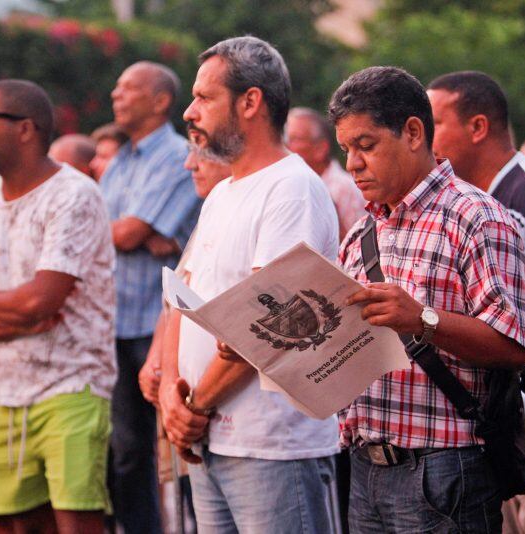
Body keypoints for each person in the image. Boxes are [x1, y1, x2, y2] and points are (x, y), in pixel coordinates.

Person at [330, 66, 525, 533]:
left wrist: (421, 318)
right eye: (346, 150)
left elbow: (514, 346)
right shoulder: (362, 233)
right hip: (365, 468)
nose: (353, 164)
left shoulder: (477, 217)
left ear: (414, 133)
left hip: (444, 471)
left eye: (366, 145)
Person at [160, 36, 341, 534]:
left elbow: (269, 326)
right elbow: (183, 296)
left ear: (251, 101)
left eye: (204, 97)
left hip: (272, 446)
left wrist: (194, 405)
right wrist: (172, 400)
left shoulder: (291, 188)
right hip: (211, 440)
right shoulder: (223, 193)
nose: (190, 112)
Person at [0, 79, 116, 534]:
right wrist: (15, 324)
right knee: (12, 524)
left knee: (77, 520)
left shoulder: (73, 195)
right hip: (0, 392)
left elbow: (41, 300)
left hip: (72, 385)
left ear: (25, 130)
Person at [427, 71, 525, 534]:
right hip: (492, 435)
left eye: (435, 122)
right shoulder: (469, 206)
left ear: (478, 126)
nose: (423, 134)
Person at [100, 61, 201, 534]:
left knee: (182, 445)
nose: (116, 95)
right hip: (118, 322)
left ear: (161, 100)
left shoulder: (179, 156)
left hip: (163, 324)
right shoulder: (122, 160)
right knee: (127, 451)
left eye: (127, 88)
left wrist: (134, 232)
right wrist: (128, 233)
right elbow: (111, 233)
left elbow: (130, 232)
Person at [138, 133, 231, 532]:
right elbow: (178, 298)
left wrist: (191, 403)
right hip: (193, 411)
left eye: (202, 154)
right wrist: (158, 363)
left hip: (219, 413)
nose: (190, 164)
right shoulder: (211, 214)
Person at [285, 107, 365, 239]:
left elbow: (358, 250)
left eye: (294, 139)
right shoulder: (293, 185)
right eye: (285, 139)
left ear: (321, 149)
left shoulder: (343, 189)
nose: (286, 146)